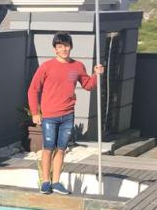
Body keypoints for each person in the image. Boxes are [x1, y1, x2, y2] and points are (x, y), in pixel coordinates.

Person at [27, 32, 104, 195]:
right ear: (55, 49)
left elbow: (88, 86)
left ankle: (56, 182)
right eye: (60, 46)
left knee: (61, 149)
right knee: (48, 148)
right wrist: (35, 112)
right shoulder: (46, 66)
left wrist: (96, 75)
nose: (64, 49)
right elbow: (33, 90)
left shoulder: (77, 66)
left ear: (71, 47)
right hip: (49, 116)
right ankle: (45, 182)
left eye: (66, 46)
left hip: (68, 116)